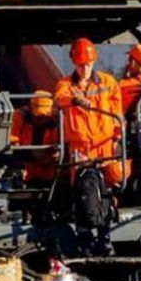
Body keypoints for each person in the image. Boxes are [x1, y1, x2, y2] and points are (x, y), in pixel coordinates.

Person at [53, 38, 125, 256]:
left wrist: (117, 139)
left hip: (104, 145)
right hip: (80, 148)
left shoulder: (108, 82)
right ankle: (85, 240)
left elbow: (117, 112)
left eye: (88, 64)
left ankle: (105, 238)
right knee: (83, 193)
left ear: (94, 61)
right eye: (81, 64)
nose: (85, 68)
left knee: (108, 191)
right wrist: (75, 100)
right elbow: (59, 99)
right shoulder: (65, 85)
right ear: (74, 63)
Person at [10, 90, 60, 184]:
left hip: (48, 173)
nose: (41, 120)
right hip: (25, 170)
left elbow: (61, 146)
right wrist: (32, 152)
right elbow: (13, 146)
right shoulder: (20, 116)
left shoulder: (57, 120)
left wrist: (55, 155)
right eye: (38, 118)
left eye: (45, 117)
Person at [118, 43, 141, 115]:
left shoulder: (122, 86)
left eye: (129, 60)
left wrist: (123, 79)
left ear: (133, 62)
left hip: (130, 124)